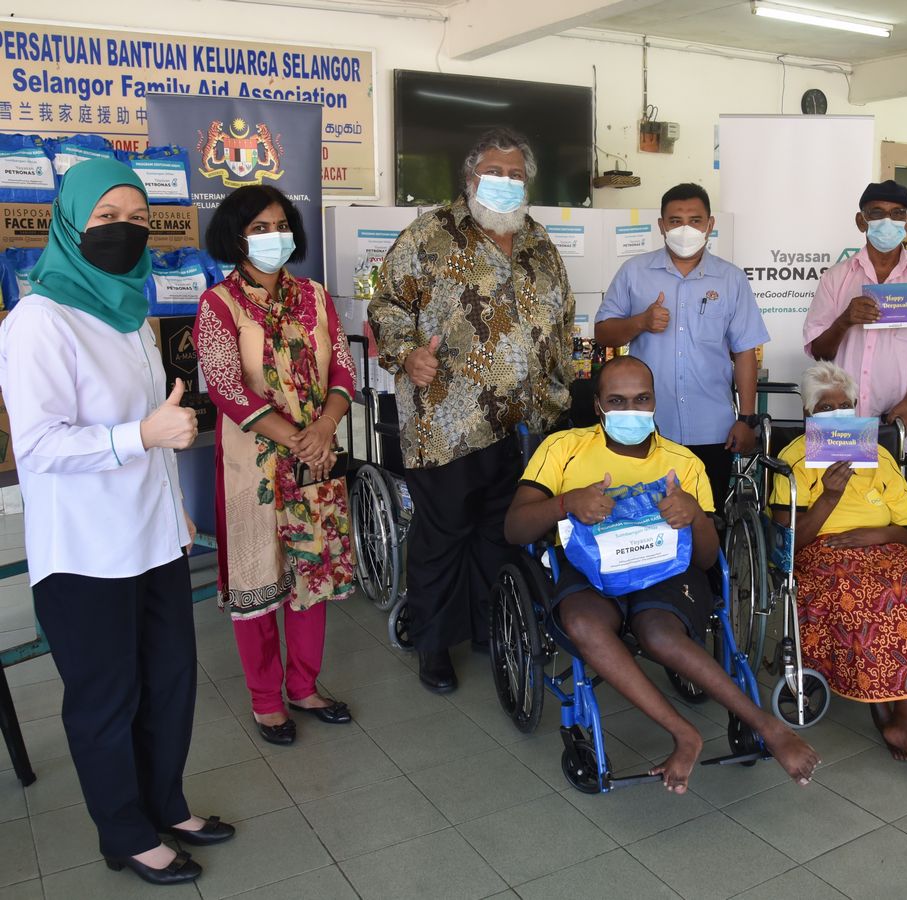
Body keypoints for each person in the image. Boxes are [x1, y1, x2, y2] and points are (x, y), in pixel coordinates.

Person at [0, 159, 231, 886]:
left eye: (138, 218)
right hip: (85, 554)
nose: (125, 231)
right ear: (69, 223)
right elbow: (37, 444)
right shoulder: (37, 320)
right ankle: (125, 833)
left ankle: (165, 802)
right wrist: (142, 438)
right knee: (106, 701)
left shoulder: (132, 309)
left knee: (169, 685)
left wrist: (176, 508)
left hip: (154, 539)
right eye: (107, 218)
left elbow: (155, 420)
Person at [504, 356, 820, 793]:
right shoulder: (563, 449)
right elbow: (514, 527)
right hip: (591, 569)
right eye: (617, 401)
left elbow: (709, 560)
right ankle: (684, 733)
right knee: (581, 622)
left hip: (667, 571)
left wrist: (695, 517)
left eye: (641, 400)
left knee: (659, 633)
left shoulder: (684, 462)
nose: (630, 411)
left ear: (655, 403)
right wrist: (566, 503)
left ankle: (769, 725)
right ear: (598, 406)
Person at [369, 127, 574, 694]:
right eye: (494, 171)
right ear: (469, 178)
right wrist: (406, 356)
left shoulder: (538, 243)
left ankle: (489, 627)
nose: (506, 182)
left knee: (501, 533)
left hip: (524, 424)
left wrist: (560, 399)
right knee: (443, 537)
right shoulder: (430, 235)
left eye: (515, 173)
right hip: (449, 423)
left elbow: (559, 325)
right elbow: (387, 305)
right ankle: (434, 644)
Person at [195, 185, 356, 746]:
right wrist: (297, 438)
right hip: (255, 470)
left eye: (280, 224)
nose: (273, 236)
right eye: (259, 227)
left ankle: (304, 686)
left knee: (310, 574)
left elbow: (342, 371)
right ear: (236, 236)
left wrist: (323, 429)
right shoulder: (219, 304)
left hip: (316, 459)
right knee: (259, 581)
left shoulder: (315, 294)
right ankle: (266, 701)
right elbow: (227, 390)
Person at [771, 362, 907, 772]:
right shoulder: (793, 461)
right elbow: (790, 544)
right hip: (823, 551)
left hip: (886, 546)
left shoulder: (880, 457)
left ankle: (906, 721)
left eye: (845, 405)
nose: (837, 412)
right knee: (866, 594)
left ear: (857, 409)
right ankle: (883, 708)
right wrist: (828, 499)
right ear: (808, 414)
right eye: (825, 407)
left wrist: (878, 535)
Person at [595, 183, 768, 508]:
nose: (685, 229)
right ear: (661, 225)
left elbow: (745, 352)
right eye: (675, 221)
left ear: (709, 225)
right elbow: (603, 333)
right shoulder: (634, 272)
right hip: (648, 427)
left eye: (695, 220)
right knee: (646, 517)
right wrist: (640, 323)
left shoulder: (730, 279)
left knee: (706, 518)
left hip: (713, 428)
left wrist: (746, 419)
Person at [803, 180, 907, 457]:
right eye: (877, 213)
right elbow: (819, 352)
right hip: (845, 421)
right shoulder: (836, 277)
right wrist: (844, 321)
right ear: (861, 220)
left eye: (898, 213)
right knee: (841, 497)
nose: (888, 221)